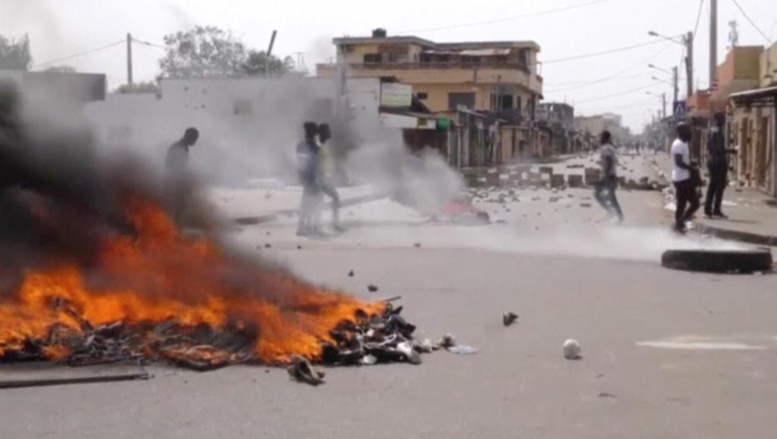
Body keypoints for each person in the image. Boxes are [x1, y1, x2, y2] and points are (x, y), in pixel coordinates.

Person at [165, 127, 199, 224]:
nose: (195, 141)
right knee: (176, 206)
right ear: (189, 137)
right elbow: (174, 166)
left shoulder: (181, 146)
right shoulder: (179, 147)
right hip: (174, 182)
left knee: (178, 206)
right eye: (194, 139)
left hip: (175, 181)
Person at [671, 122, 700, 234]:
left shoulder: (683, 144)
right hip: (682, 179)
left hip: (681, 177)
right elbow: (678, 162)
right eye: (688, 130)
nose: (690, 132)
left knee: (681, 204)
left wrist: (690, 164)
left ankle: (678, 227)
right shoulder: (678, 144)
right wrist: (691, 167)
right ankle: (680, 222)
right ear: (682, 132)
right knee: (695, 203)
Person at [315, 123, 344, 231]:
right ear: (323, 133)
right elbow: (317, 163)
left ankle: (331, 224)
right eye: (327, 130)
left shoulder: (324, 146)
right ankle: (333, 224)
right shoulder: (319, 147)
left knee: (326, 199)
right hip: (321, 178)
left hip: (324, 178)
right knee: (334, 198)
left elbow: (326, 162)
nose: (329, 132)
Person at [704, 113, 733, 219]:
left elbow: (710, 148)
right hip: (718, 162)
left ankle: (708, 209)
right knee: (719, 186)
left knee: (712, 186)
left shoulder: (711, 131)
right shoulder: (718, 132)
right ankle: (715, 209)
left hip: (712, 160)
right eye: (723, 119)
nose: (724, 122)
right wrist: (731, 150)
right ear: (719, 121)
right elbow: (719, 149)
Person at [296, 122, 321, 236]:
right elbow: (312, 163)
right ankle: (308, 226)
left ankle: (304, 226)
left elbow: (300, 161)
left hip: (306, 176)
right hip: (311, 177)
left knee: (307, 202)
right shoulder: (314, 146)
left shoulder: (301, 145)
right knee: (313, 202)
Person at [593, 130, 624, 223]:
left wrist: (604, 175)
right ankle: (617, 214)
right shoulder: (610, 147)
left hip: (608, 175)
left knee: (598, 194)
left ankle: (613, 212)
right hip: (611, 175)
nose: (599, 139)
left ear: (604, 138)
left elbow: (609, 161)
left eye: (600, 137)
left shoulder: (605, 148)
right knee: (610, 196)